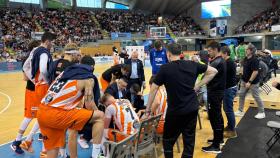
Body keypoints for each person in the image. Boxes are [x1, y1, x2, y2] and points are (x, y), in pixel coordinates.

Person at [146, 43, 218, 158]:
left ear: (168, 54)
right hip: (192, 108)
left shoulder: (165, 68)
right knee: (189, 142)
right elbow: (213, 71)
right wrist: (198, 85)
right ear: (181, 53)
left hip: (175, 111)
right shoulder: (193, 64)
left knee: (168, 141)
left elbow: (154, 88)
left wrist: (148, 110)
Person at [37, 64, 104, 158]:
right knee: (100, 116)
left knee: (52, 152)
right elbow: (89, 106)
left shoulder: (64, 74)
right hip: (56, 114)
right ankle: (96, 155)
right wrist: (98, 115)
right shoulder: (88, 78)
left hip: (41, 112)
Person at [21, 32, 56, 156]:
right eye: (52, 42)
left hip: (38, 87)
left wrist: (34, 80)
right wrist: (46, 81)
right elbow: (42, 69)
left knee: (42, 115)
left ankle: (28, 140)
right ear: (47, 41)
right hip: (44, 87)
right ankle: (44, 150)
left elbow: (25, 66)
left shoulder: (34, 50)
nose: (53, 44)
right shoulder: (43, 52)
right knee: (46, 117)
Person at [11, 40, 40, 155]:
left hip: (40, 91)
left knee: (40, 117)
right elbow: (25, 78)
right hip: (32, 91)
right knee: (29, 117)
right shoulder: (27, 60)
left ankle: (28, 141)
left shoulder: (40, 58)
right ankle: (17, 141)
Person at [202, 42, 226, 154]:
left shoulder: (217, 62)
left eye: (210, 51)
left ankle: (216, 146)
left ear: (216, 49)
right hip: (217, 92)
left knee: (214, 117)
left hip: (215, 93)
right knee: (218, 116)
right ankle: (219, 139)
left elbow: (205, 73)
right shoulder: (219, 60)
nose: (208, 53)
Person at [235, 43, 266, 119]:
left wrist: (249, 82)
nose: (245, 50)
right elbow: (243, 66)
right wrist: (241, 73)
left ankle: (262, 112)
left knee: (256, 96)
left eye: (247, 49)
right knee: (241, 95)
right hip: (244, 80)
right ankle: (240, 110)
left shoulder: (255, 60)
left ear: (251, 51)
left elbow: (255, 72)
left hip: (253, 82)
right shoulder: (246, 58)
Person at [221, 46, 238, 138]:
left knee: (228, 110)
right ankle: (230, 126)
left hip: (229, 89)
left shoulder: (229, 63)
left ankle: (232, 131)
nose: (220, 55)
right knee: (227, 109)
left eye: (221, 53)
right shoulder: (228, 62)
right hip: (229, 88)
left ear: (225, 53)